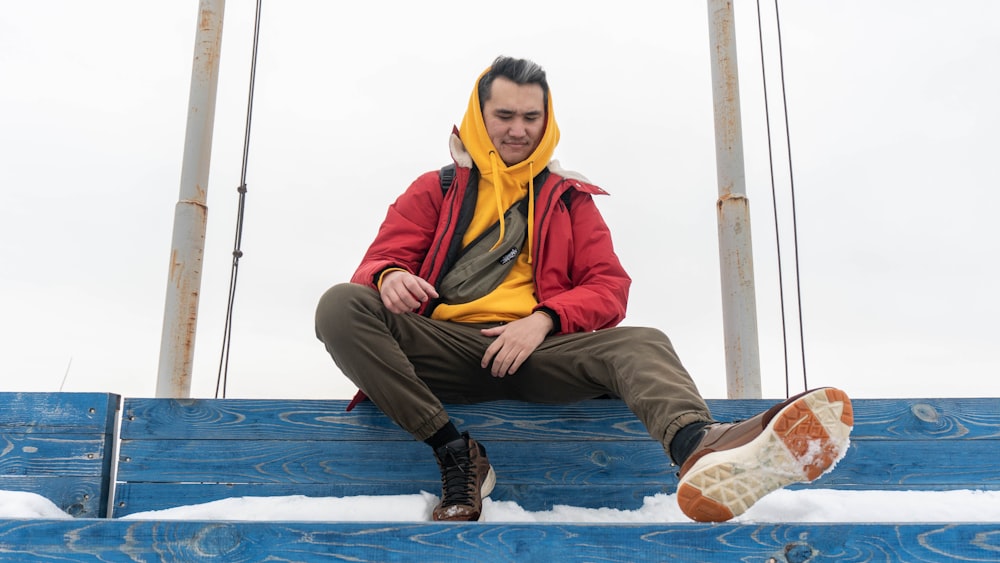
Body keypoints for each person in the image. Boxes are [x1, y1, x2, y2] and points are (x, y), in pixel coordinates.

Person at [315, 55, 853, 523]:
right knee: (339, 304)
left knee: (643, 340)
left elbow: (609, 288)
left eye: (531, 117)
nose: (518, 129)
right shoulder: (437, 187)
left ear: (547, 121)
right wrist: (390, 278)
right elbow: (377, 262)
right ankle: (456, 453)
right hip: (445, 350)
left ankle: (699, 448)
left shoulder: (571, 198)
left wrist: (544, 319)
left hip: (542, 354)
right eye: (504, 116)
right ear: (479, 118)